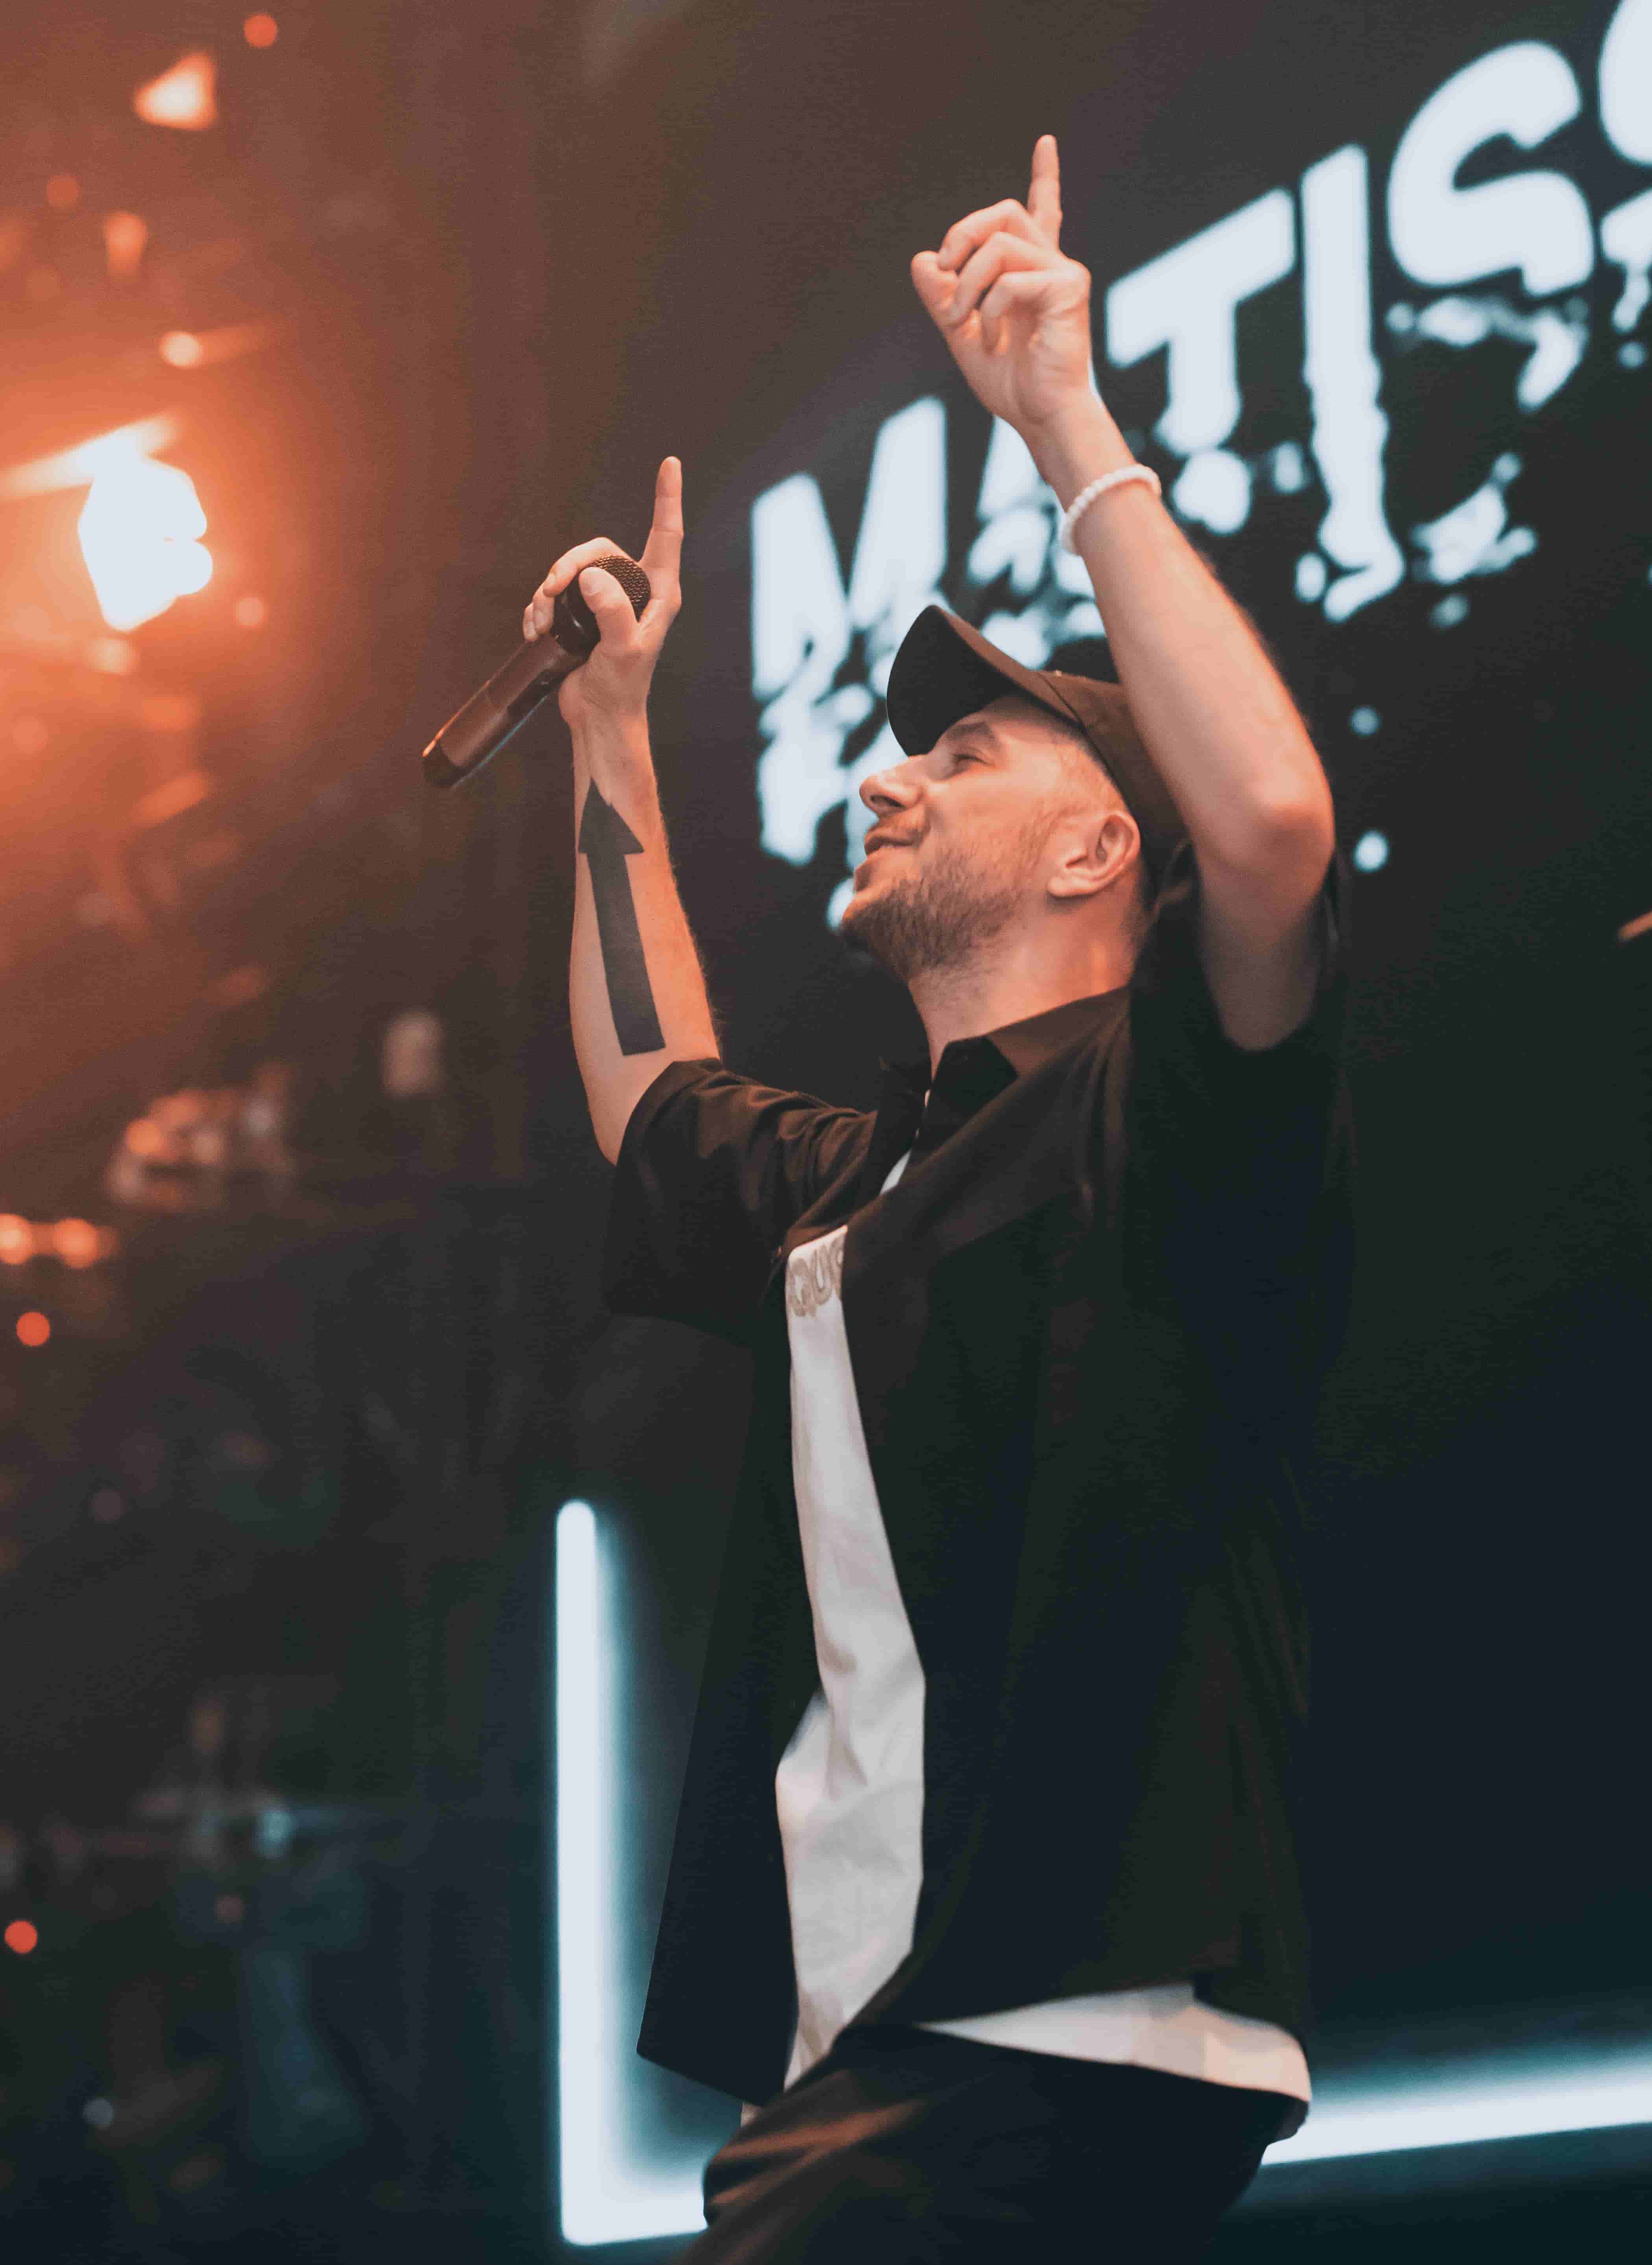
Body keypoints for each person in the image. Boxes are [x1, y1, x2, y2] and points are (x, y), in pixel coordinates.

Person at [527, 137, 1353, 2260]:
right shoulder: (864, 1179)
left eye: (968, 756)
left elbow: (1268, 828)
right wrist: (611, 732)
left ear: (1099, 851)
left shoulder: (1161, 1104)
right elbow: (652, 1101)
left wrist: (1063, 420)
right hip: (872, 2049)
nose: (888, 772)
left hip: (1053, 2024)